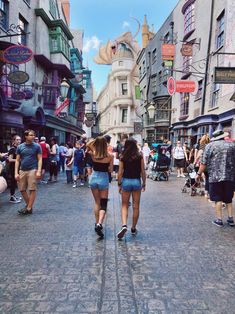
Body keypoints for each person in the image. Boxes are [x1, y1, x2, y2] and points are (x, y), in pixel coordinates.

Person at [196, 130, 235, 227]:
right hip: (230, 176)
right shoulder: (232, 146)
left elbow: (203, 162)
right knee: (229, 198)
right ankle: (231, 219)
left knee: (218, 199)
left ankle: (219, 220)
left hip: (215, 177)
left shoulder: (210, 146)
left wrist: (199, 173)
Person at [117, 138, 146, 239]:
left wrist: (119, 184)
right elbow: (143, 171)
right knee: (136, 206)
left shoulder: (123, 157)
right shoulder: (140, 156)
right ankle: (133, 227)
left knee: (124, 205)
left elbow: (120, 172)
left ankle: (124, 225)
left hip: (126, 181)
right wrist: (144, 183)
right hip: (136, 181)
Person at [86, 136, 113, 238]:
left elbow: (88, 145)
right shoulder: (110, 156)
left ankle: (96, 222)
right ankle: (100, 223)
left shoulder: (93, 154)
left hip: (93, 178)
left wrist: (95, 141)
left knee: (97, 202)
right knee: (103, 203)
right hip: (103, 179)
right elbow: (110, 170)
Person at [15, 129, 42, 215]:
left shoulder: (37, 146)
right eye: (30, 135)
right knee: (22, 189)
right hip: (22, 170)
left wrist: (39, 171)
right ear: (26, 136)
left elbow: (40, 159)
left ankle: (29, 208)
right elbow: (17, 160)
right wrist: (16, 172)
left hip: (32, 170)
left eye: (33, 135)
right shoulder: (20, 147)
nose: (33, 136)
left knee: (32, 189)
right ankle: (28, 206)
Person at [7, 135, 22, 203]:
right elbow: (10, 159)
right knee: (13, 182)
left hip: (16, 167)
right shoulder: (13, 149)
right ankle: (12, 198)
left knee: (14, 182)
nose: (19, 141)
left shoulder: (17, 148)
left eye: (19, 140)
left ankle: (13, 195)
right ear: (14, 141)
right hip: (13, 168)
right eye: (17, 140)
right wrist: (18, 159)